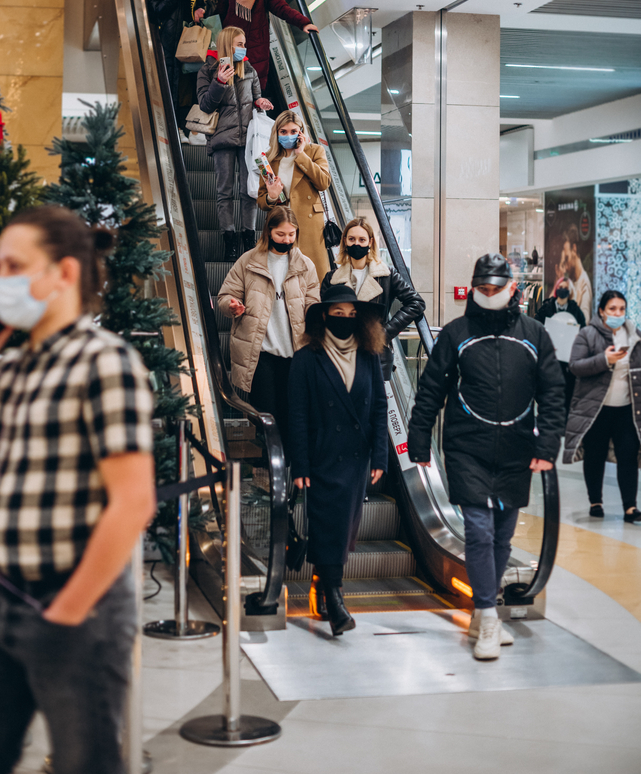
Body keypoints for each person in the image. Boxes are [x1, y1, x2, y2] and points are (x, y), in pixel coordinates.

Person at [0, 206, 156, 774]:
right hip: (2, 600)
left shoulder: (105, 363)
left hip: (79, 608)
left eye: (14, 265)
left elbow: (133, 501)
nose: (0, 279)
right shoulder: (6, 372)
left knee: (86, 763)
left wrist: (67, 612)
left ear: (64, 275)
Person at [407, 253, 565, 662]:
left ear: (512, 289)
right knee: (478, 530)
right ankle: (488, 617)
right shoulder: (457, 334)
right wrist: (419, 443)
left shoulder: (534, 335)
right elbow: (430, 391)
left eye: (497, 289)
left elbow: (552, 394)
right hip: (467, 447)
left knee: (502, 536)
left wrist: (547, 447)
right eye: (484, 289)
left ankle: (485, 605)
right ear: (475, 289)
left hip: (517, 449)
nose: (490, 295)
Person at [287, 285, 387, 636]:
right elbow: (296, 415)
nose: (344, 320)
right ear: (325, 316)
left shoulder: (370, 354)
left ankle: (323, 585)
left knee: (344, 528)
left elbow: (379, 407)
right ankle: (335, 597)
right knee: (329, 524)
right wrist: (299, 465)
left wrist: (380, 455)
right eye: (338, 313)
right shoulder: (306, 358)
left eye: (351, 314)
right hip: (321, 455)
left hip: (357, 458)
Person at [218, 205, 320, 448]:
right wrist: (231, 306)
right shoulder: (248, 261)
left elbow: (314, 302)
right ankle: (268, 468)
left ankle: (288, 474)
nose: (286, 240)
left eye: (291, 234)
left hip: (295, 353)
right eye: (280, 234)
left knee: (292, 414)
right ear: (268, 232)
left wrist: (313, 316)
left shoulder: (305, 265)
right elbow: (225, 295)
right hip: (260, 353)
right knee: (265, 416)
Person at [196, 26, 273, 260]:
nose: (243, 48)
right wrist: (219, 81)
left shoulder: (248, 69)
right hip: (222, 139)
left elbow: (257, 95)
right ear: (227, 44)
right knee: (224, 192)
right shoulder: (208, 70)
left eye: (244, 44)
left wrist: (261, 102)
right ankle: (229, 241)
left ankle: (248, 239)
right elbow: (205, 105)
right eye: (239, 44)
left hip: (249, 138)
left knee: (249, 189)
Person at [563, 290, 641, 522]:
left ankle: (630, 507)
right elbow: (575, 366)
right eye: (612, 309)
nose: (618, 313)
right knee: (594, 456)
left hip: (626, 410)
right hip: (595, 409)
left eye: (621, 309)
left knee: (628, 455)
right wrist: (604, 360)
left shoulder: (634, 336)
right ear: (601, 311)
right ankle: (595, 501)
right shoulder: (588, 334)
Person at [320, 216, 426, 380]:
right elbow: (323, 316)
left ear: (370, 242)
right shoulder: (331, 278)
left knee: (373, 404)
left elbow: (416, 303)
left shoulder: (387, 275)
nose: (356, 244)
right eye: (352, 239)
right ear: (345, 242)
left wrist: (384, 334)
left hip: (375, 354)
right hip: (338, 354)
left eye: (362, 239)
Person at [218, 0, 319, 89]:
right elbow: (219, 14)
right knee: (231, 82)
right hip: (231, 43)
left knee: (254, 85)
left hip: (256, 44)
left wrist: (303, 23)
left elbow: (281, 8)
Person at [257, 109, 331, 281]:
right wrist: (272, 197)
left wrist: (301, 155)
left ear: (301, 133)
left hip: (309, 224)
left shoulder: (315, 151)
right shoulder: (269, 158)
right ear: (276, 133)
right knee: (281, 278)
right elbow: (261, 201)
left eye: (293, 131)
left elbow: (323, 182)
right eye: (283, 131)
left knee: (313, 277)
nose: (288, 135)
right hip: (281, 227)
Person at [146, 0, 208, 124]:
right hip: (164, 40)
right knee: (166, 84)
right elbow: (157, 12)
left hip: (189, 42)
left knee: (187, 84)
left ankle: (187, 126)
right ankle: (171, 127)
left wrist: (201, 11)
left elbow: (205, 4)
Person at [536, 278, 586, 415]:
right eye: (560, 286)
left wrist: (578, 338)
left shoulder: (576, 310)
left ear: (569, 291)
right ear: (556, 288)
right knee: (548, 393)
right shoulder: (546, 308)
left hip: (568, 362)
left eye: (566, 287)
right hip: (549, 358)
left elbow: (583, 330)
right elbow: (536, 328)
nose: (562, 290)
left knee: (567, 394)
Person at [560, 223, 592, 325]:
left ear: (574, 248)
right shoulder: (574, 282)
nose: (566, 267)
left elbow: (584, 323)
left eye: (567, 259)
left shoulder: (583, 285)